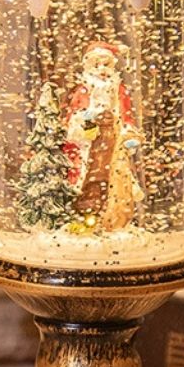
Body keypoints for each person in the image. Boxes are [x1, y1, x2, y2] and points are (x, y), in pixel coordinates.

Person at [59, 42, 144, 232]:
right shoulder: (83, 91)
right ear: (88, 67)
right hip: (90, 146)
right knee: (90, 181)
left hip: (113, 144)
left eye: (107, 65)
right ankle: (85, 218)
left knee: (114, 182)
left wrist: (129, 134)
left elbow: (127, 116)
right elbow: (72, 119)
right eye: (97, 65)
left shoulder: (119, 91)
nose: (102, 70)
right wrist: (86, 120)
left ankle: (112, 220)